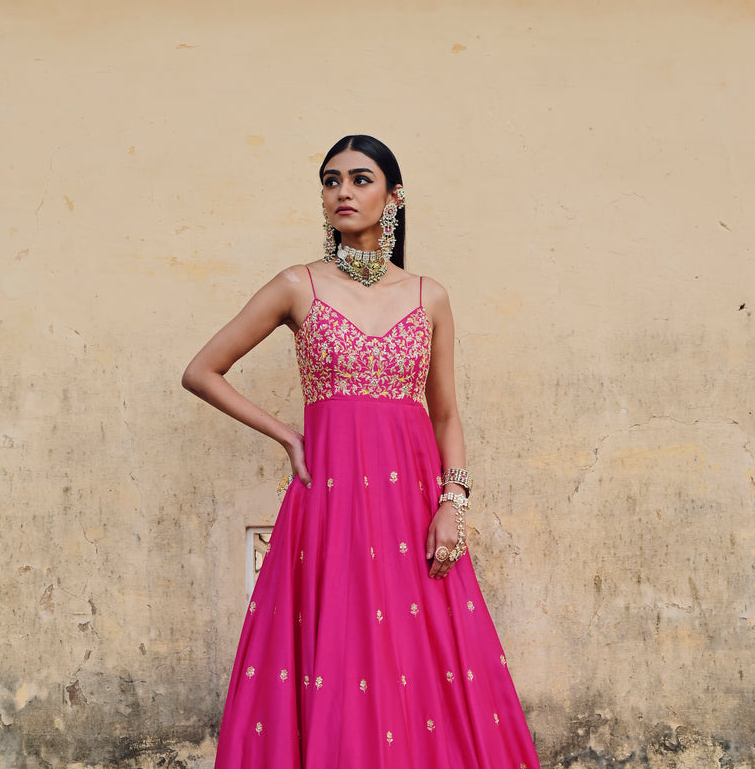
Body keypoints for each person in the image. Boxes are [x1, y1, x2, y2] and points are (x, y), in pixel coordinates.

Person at [183, 134, 540, 768]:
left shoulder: (430, 295)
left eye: (359, 179)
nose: (342, 191)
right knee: (337, 650)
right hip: (331, 498)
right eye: (330, 181)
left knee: (416, 655)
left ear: (393, 196)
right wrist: (289, 435)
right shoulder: (298, 286)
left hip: (411, 503)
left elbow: (447, 413)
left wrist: (453, 502)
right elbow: (202, 371)